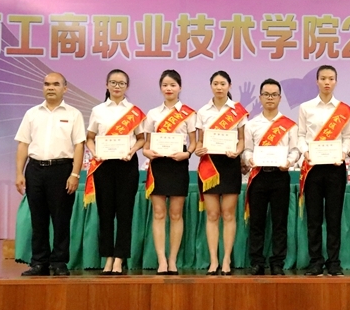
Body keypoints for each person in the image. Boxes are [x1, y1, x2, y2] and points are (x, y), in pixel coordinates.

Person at [15, 72, 85, 276]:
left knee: (61, 219)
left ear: (65, 88)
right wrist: (19, 173)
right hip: (35, 169)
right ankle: (39, 262)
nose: (50, 88)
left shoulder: (74, 114)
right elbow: (23, 144)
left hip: (62, 170)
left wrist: (75, 174)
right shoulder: (32, 113)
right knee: (38, 219)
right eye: (47, 84)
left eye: (55, 84)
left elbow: (79, 146)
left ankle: (59, 262)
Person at [85, 69, 145, 275]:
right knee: (105, 213)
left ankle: (119, 258)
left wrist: (132, 151)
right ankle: (108, 257)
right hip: (104, 166)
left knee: (125, 213)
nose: (117, 86)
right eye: (113, 82)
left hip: (126, 165)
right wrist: (95, 153)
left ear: (127, 86)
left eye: (121, 83)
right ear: (107, 85)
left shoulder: (134, 112)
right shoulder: (98, 110)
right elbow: (90, 137)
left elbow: (141, 139)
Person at [297, 65, 350, 276]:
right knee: (314, 218)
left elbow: (347, 138)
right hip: (313, 168)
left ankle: (334, 261)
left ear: (336, 81)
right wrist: (305, 152)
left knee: (334, 217)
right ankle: (315, 261)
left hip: (335, 168)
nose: (327, 82)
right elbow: (301, 135)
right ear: (317, 81)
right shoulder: (306, 107)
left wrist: (343, 153)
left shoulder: (344, 110)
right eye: (323, 78)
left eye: (331, 78)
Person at [242, 78, 300, 276]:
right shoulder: (251, 125)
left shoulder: (289, 125)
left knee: (279, 222)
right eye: (266, 94)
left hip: (280, 176)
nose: (270, 98)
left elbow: (295, 150)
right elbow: (247, 149)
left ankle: (277, 262)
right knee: (257, 222)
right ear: (260, 97)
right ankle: (257, 262)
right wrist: (249, 159)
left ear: (280, 98)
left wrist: (289, 162)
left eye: (274, 95)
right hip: (258, 176)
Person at [143, 70, 197, 275]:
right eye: (165, 85)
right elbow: (146, 145)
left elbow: (194, 142)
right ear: (160, 87)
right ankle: (161, 260)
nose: (169, 89)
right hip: (158, 165)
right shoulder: (153, 114)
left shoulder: (189, 113)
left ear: (180, 87)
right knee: (158, 213)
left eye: (173, 85)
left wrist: (188, 153)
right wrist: (147, 153)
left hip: (178, 164)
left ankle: (173, 259)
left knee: (175, 213)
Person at [195, 71, 248, 276]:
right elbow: (200, 140)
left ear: (229, 85)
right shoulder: (203, 112)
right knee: (212, 215)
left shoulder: (237, 111)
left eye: (222, 83)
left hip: (230, 163)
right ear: (211, 86)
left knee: (228, 214)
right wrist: (199, 149)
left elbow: (242, 139)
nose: (219, 87)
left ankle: (226, 259)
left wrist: (238, 151)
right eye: (215, 83)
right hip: (209, 165)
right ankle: (213, 260)